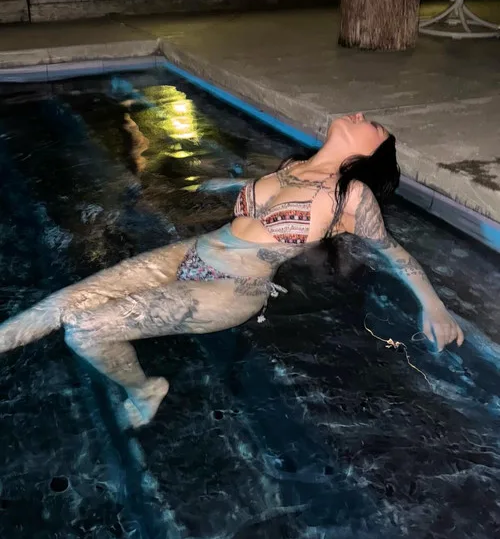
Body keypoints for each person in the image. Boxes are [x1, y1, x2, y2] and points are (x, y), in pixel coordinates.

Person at [0, 113, 464, 427]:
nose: (360, 115)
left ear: (371, 153)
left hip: (232, 288)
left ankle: (145, 390)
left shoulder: (353, 197)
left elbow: (394, 251)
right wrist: (231, 182)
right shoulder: (294, 166)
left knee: (85, 328)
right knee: (61, 303)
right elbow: (272, 195)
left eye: (372, 124)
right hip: (192, 252)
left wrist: (435, 306)